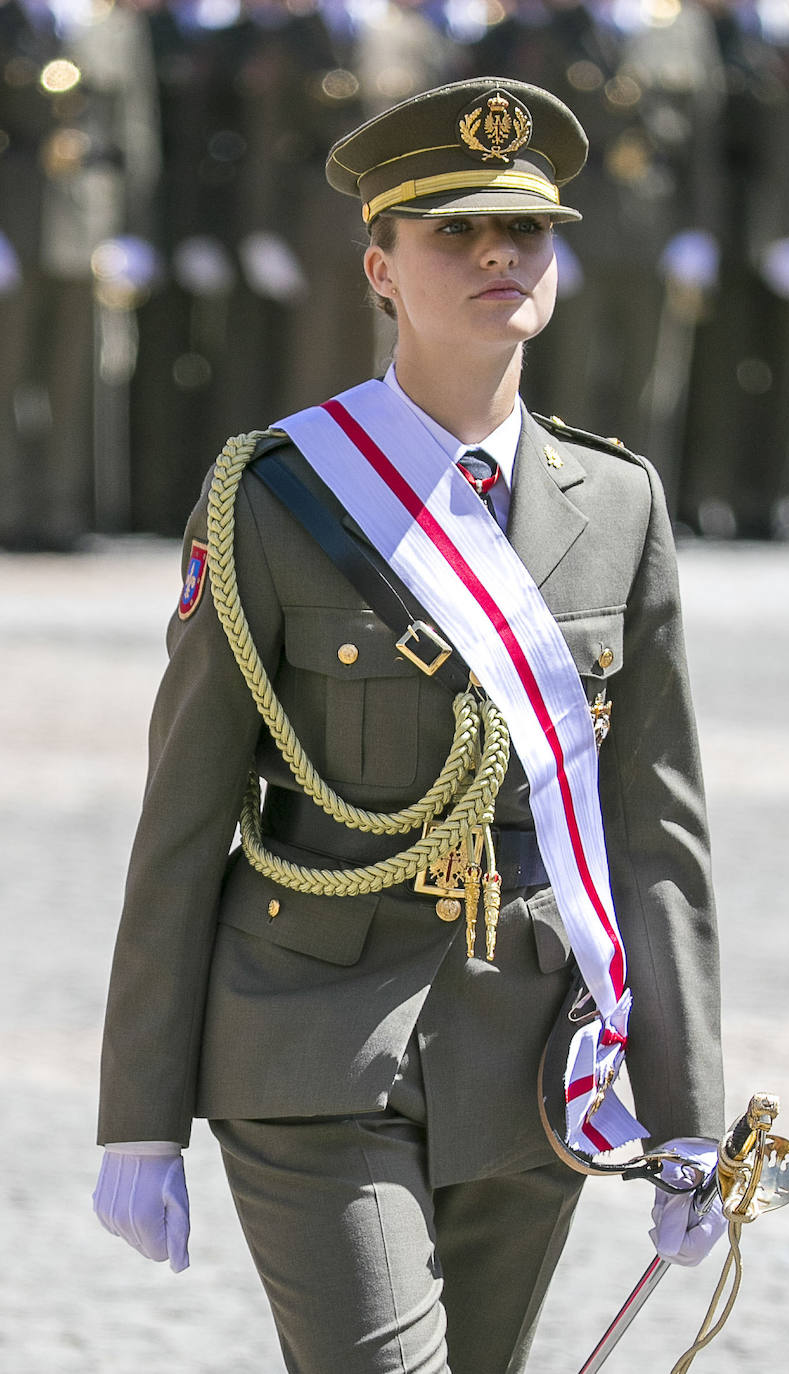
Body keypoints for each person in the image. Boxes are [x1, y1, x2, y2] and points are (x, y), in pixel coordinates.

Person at [93, 77, 726, 1374]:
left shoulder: (616, 503)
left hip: (536, 1051)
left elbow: (655, 832)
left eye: (526, 230)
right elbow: (185, 815)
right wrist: (138, 1118)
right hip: (313, 1043)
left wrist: (689, 1107)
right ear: (381, 265)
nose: (500, 255)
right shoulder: (275, 497)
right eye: (456, 231)